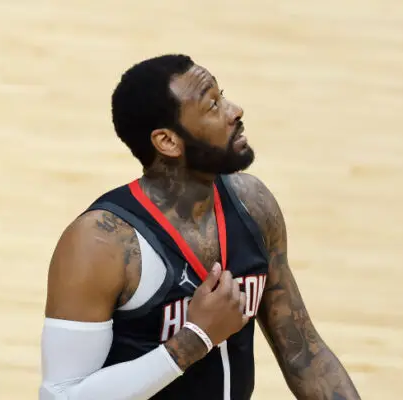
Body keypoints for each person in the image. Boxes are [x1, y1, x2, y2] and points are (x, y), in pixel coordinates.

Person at [39, 54, 361, 400]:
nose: (234, 110)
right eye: (212, 106)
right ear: (167, 142)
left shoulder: (253, 204)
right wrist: (194, 339)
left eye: (222, 96)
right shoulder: (102, 242)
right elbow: (60, 395)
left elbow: (304, 354)